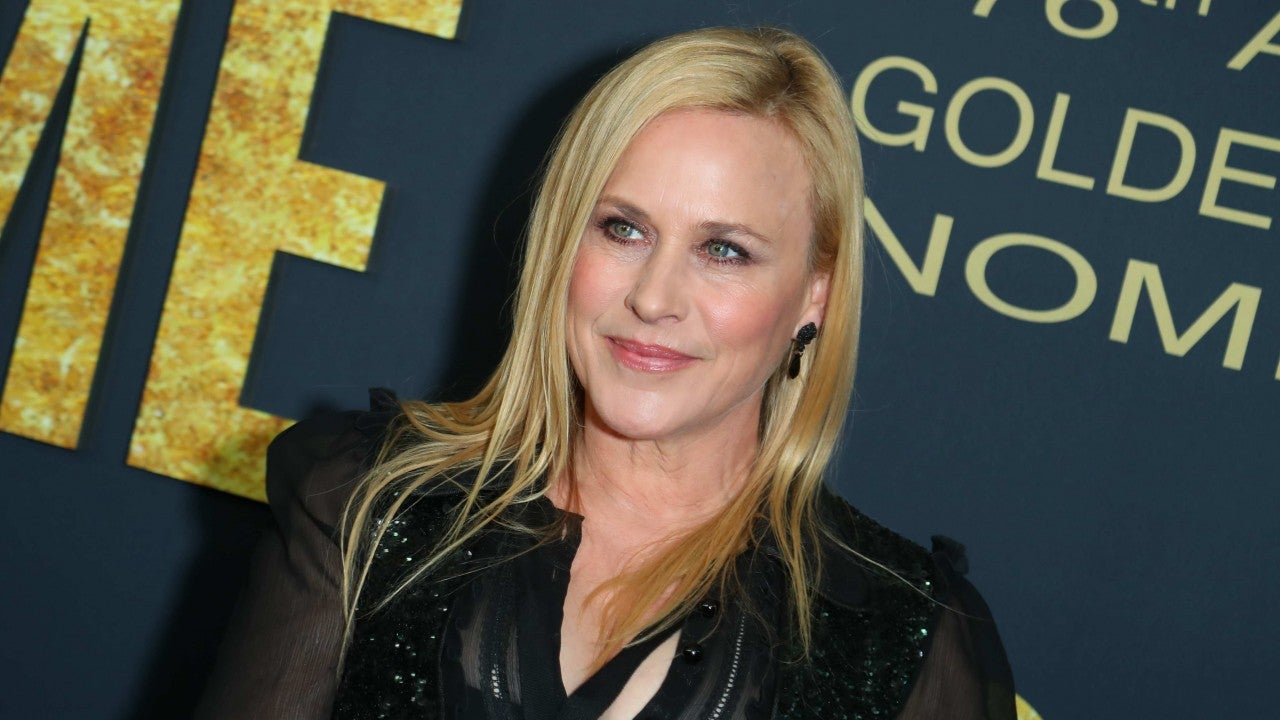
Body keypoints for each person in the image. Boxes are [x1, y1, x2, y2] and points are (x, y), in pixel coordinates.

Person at [197, 26, 1015, 720]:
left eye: (723, 250)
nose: (654, 298)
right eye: (623, 229)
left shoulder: (902, 635)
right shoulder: (370, 504)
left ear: (815, 295)